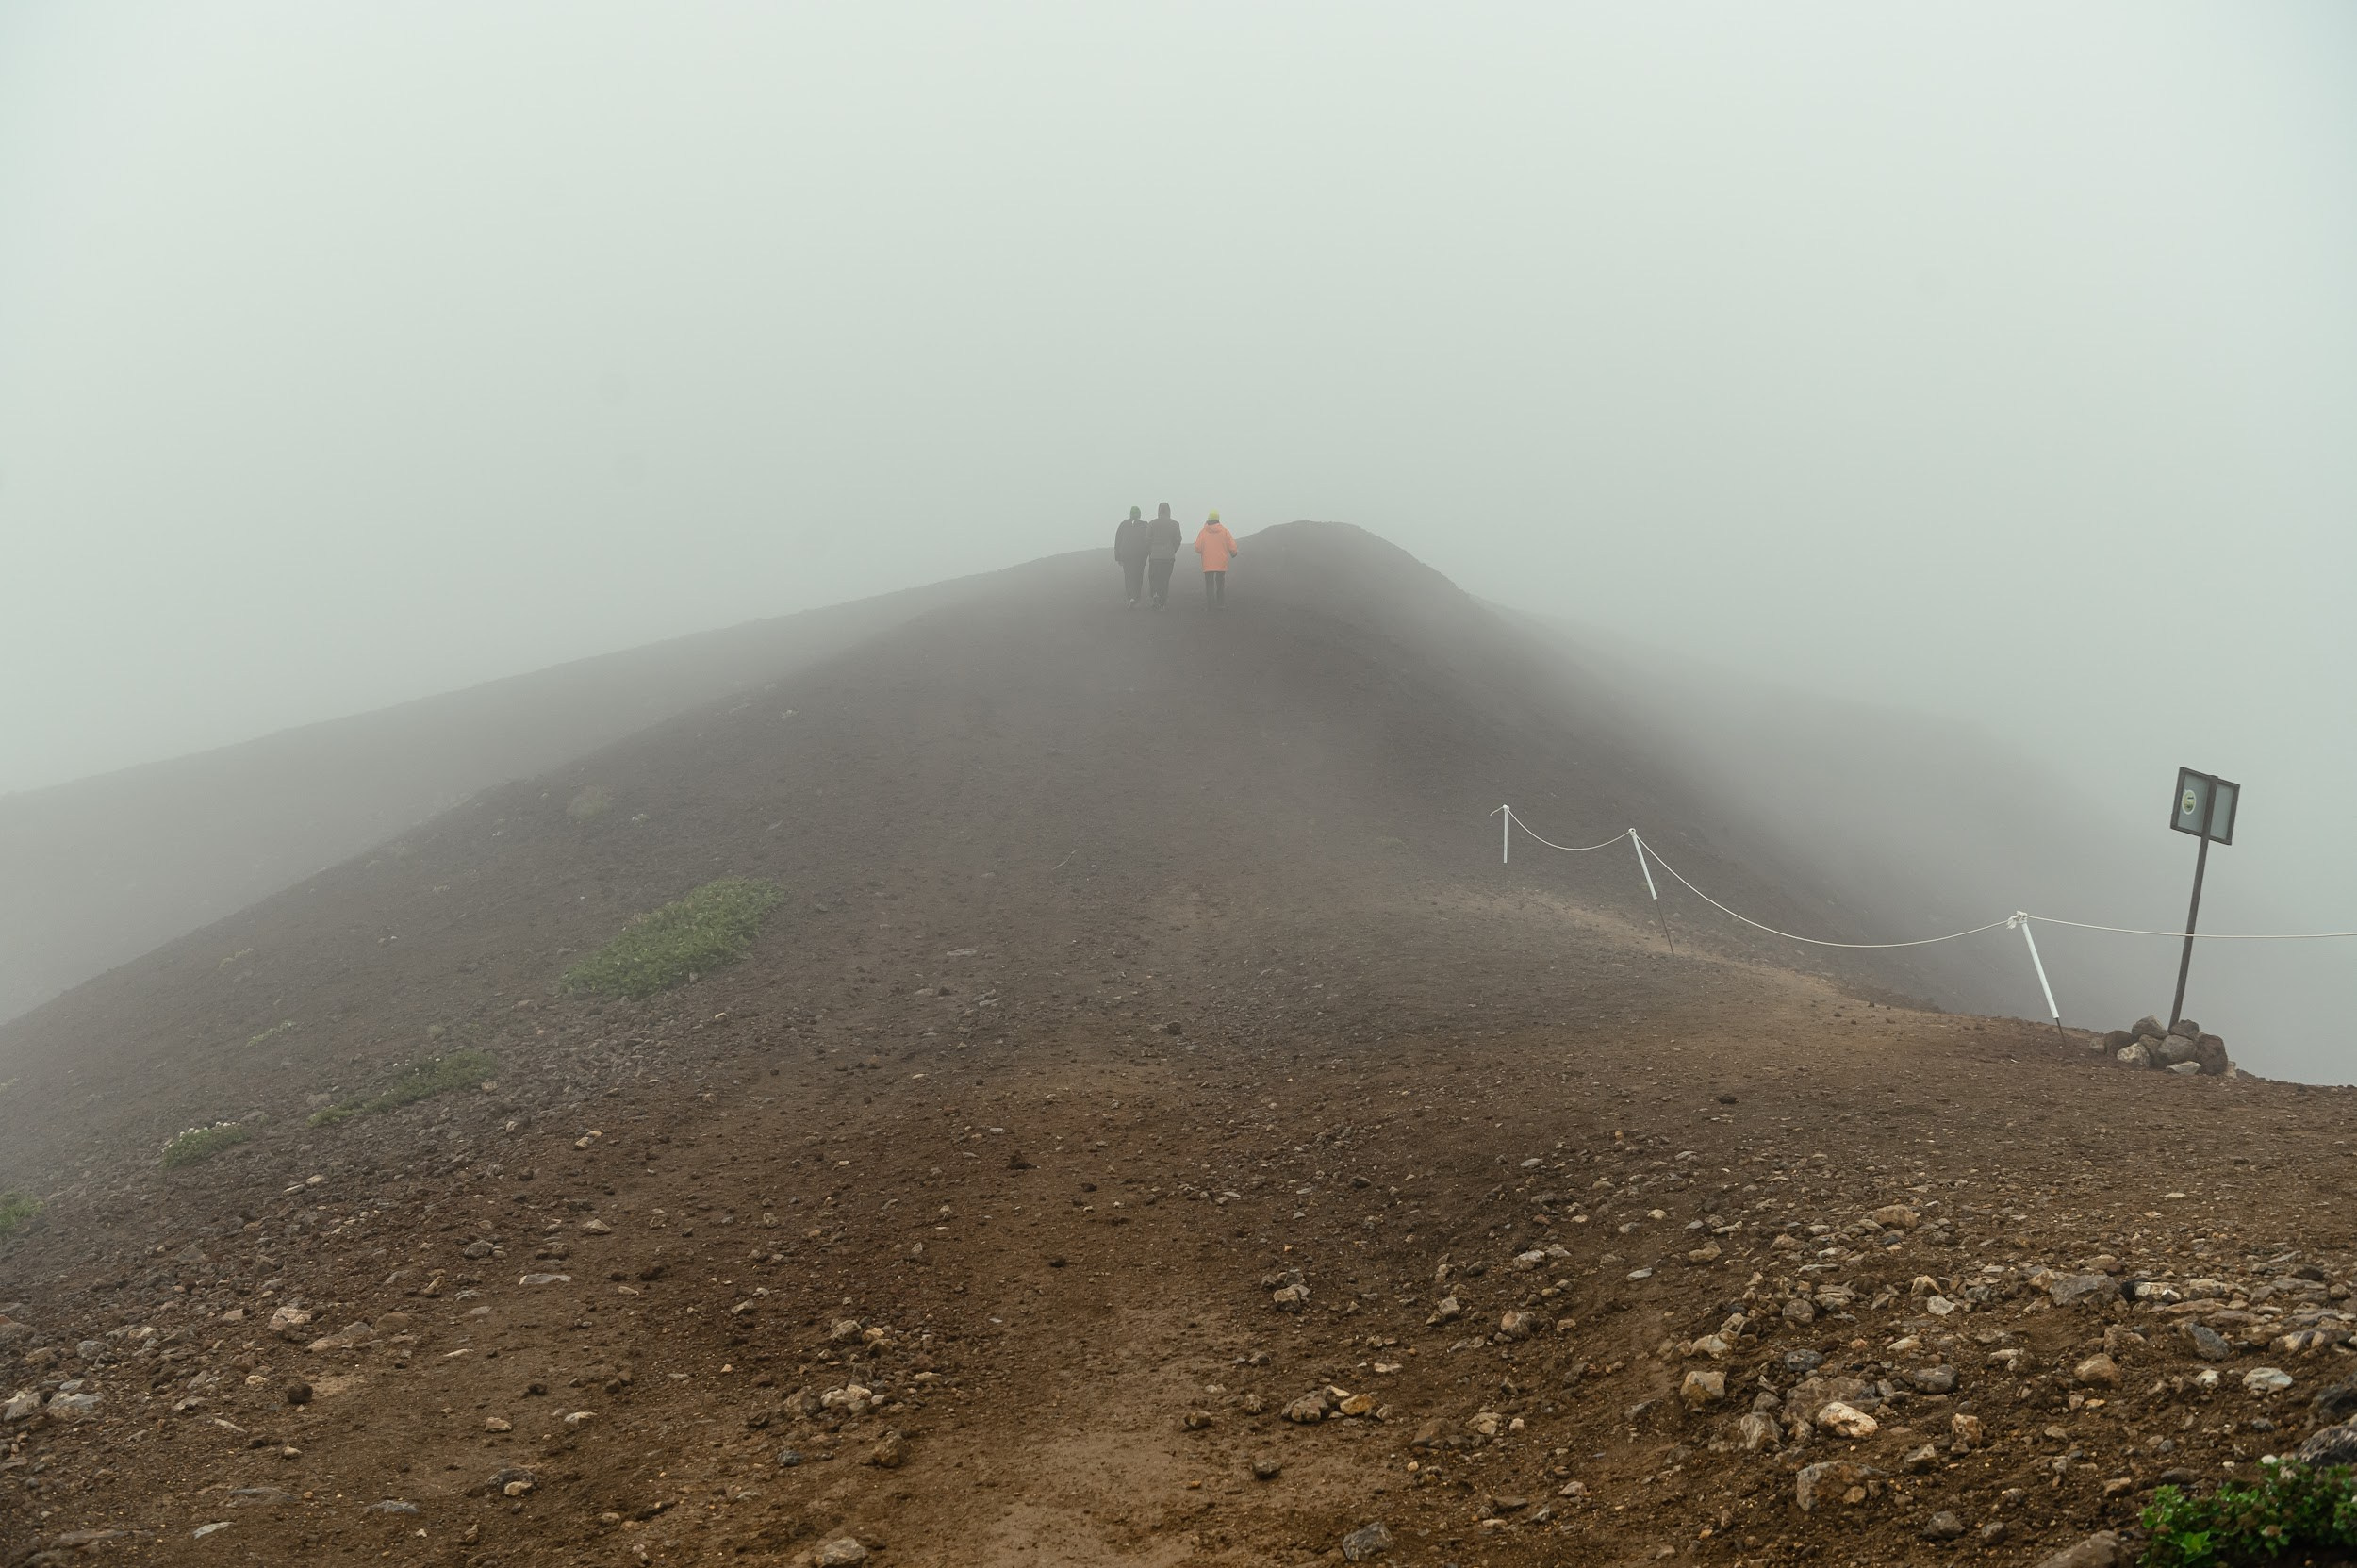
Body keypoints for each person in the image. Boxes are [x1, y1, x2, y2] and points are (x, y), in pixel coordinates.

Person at [1194, 510, 1239, 607]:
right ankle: (1220, 604)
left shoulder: (1203, 532)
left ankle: (1210, 605)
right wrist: (1234, 553)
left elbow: (1197, 548)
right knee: (1220, 583)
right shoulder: (1225, 531)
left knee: (1209, 584)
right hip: (1221, 562)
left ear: (1208, 519)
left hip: (1208, 563)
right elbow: (1232, 546)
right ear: (1218, 519)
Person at [1144, 503, 1183, 607]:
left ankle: (1155, 594)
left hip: (1155, 556)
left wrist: (1151, 551)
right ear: (1169, 511)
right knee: (1165, 579)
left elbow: (1147, 540)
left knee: (1153, 577)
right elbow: (1178, 540)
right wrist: (1173, 550)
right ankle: (1162, 603)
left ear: (1159, 511)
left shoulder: (1152, 523)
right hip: (1168, 556)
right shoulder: (1175, 524)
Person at [1112, 506, 1149, 606]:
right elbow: (1148, 540)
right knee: (1138, 575)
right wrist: (1148, 553)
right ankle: (1136, 596)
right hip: (1140, 555)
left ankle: (1131, 597)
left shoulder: (1123, 524)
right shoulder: (1145, 525)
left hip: (1126, 554)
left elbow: (1117, 541)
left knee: (1128, 576)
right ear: (1139, 515)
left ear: (1130, 514)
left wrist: (1118, 557)